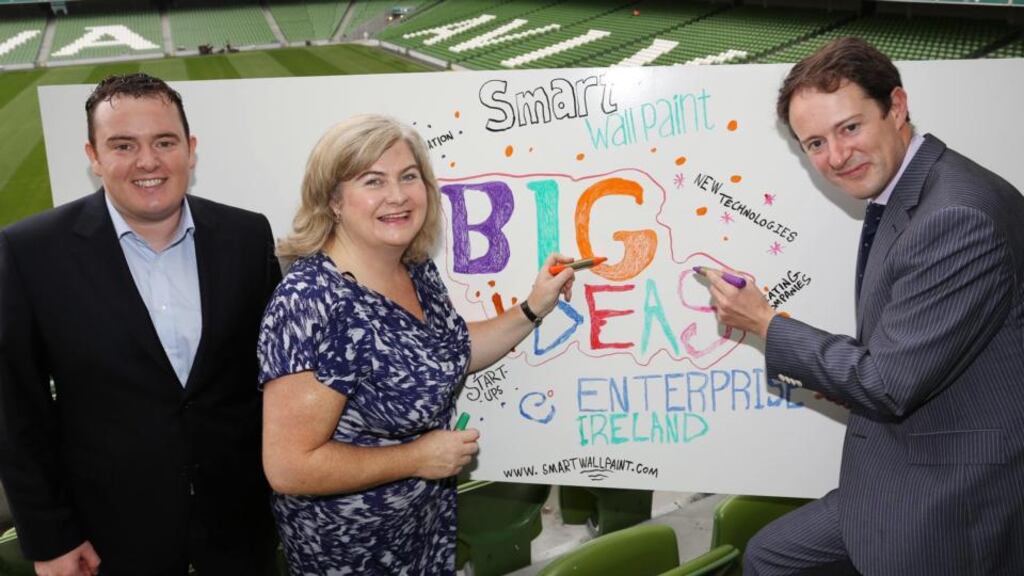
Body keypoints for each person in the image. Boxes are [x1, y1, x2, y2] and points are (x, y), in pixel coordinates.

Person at [699, 37, 1024, 575]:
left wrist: (764, 321)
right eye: (815, 143)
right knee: (770, 556)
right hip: (905, 461)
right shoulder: (913, 192)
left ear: (896, 107)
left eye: (850, 128)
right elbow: (907, 346)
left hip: (954, 492)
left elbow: (888, 384)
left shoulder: (953, 217)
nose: (837, 156)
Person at [258, 114, 575, 575]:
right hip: (353, 551)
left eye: (409, 176)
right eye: (373, 181)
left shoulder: (414, 266)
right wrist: (416, 457)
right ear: (333, 200)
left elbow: (449, 353)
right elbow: (290, 467)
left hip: (426, 529)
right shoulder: (312, 302)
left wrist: (533, 307)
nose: (398, 195)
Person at [0, 73, 281, 575]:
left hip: (240, 531)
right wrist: (51, 538)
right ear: (93, 156)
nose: (147, 162)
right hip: (108, 541)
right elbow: (18, 409)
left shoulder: (247, 235)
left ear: (190, 149)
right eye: (123, 145)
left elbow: (271, 383)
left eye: (164, 142)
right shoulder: (29, 252)